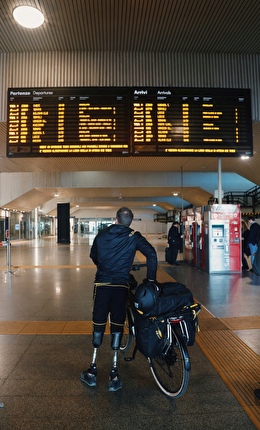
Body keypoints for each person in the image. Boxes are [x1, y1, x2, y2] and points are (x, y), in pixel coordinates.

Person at [81, 207, 158, 392]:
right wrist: (151, 280)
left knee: (98, 323)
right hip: (121, 286)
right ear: (130, 222)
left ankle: (92, 370)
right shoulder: (133, 236)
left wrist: (104, 267)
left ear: (115, 219)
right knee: (117, 324)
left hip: (102, 286)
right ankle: (114, 371)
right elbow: (152, 254)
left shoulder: (102, 234)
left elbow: (93, 256)